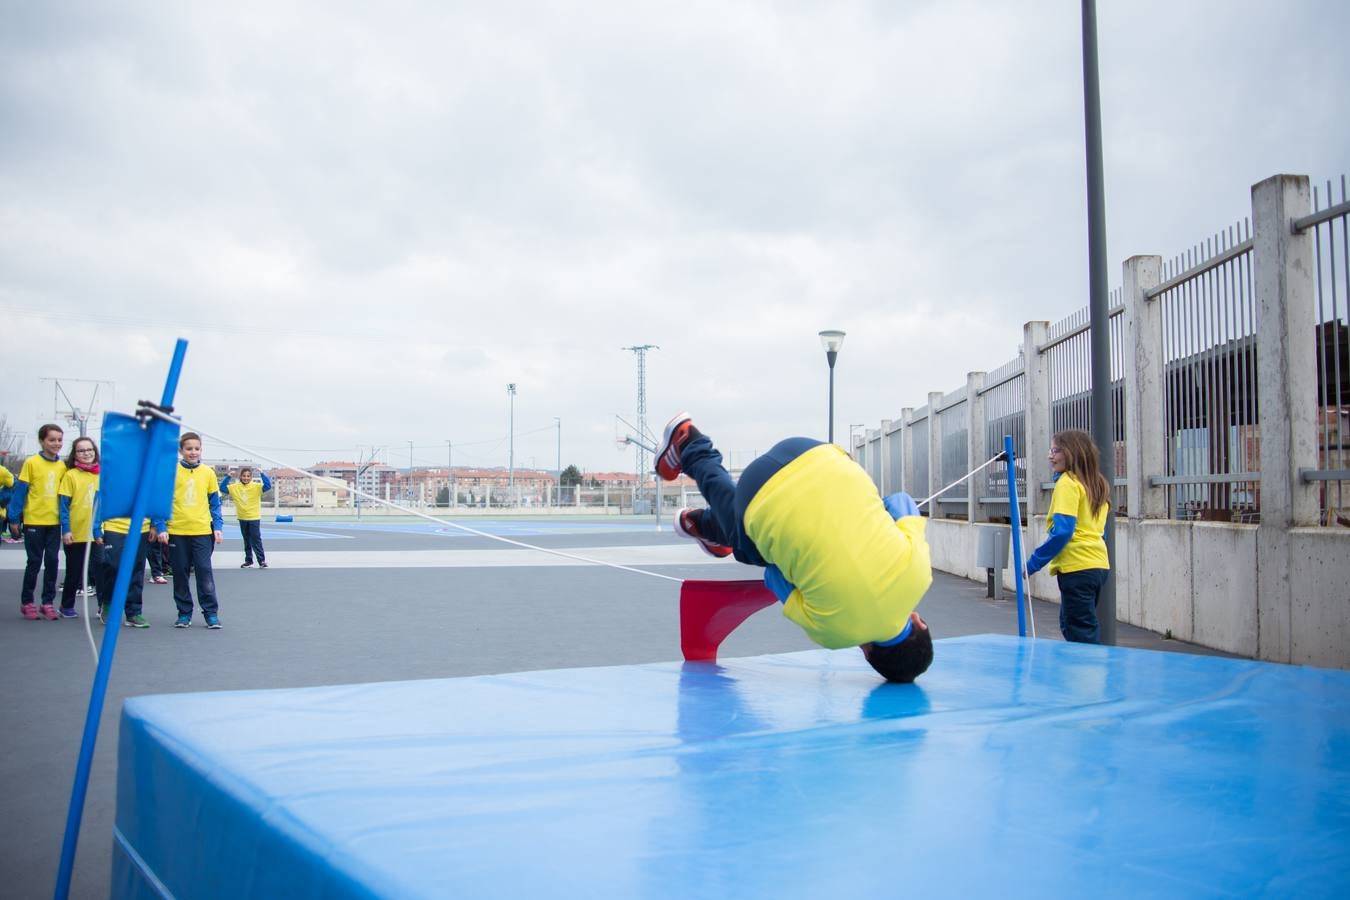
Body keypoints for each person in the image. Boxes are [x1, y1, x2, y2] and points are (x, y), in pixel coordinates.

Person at [655, 412, 934, 683]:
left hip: (813, 451)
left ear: (919, 622)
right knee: (748, 545)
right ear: (867, 653)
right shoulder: (833, 635)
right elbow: (774, 577)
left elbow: (900, 499)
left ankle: (709, 528)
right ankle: (691, 446)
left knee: (752, 533)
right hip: (758, 486)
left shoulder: (920, 576)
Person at [1024, 429, 1111, 644]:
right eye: (1050, 450)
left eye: (1056, 450)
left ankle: (1088, 675)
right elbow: (1101, 531)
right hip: (1098, 565)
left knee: (1081, 631)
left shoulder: (1067, 483)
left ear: (1072, 453)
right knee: (1072, 623)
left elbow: (1063, 531)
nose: (1050, 456)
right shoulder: (1096, 484)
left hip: (1077, 567)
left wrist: (1033, 563)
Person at [155, 432, 224, 629]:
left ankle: (211, 613)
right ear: (181, 451)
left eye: (196, 448)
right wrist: (161, 527)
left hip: (202, 531)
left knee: (204, 571)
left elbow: (215, 503)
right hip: (177, 531)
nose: (193, 452)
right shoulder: (171, 472)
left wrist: (217, 527)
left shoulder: (208, 473)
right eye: (188, 449)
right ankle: (184, 613)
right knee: (180, 573)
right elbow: (161, 502)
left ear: (201, 450)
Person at [10, 424, 66, 620]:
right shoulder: (31, 462)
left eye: (59, 439)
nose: (56, 443)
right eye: (52, 439)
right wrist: (14, 517)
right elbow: (20, 492)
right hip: (34, 521)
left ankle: (48, 602)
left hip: (54, 522)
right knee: (34, 562)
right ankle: (27, 602)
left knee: (52, 562)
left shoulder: (62, 466)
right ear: (42, 441)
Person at [57, 436, 101, 618]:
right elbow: (63, 506)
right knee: (74, 571)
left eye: (89, 449)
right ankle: (66, 606)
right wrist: (66, 529)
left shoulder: (102, 475)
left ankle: (103, 607)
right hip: (76, 532)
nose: (86, 453)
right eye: (81, 450)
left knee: (101, 570)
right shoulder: (70, 475)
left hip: (98, 532)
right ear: (75, 454)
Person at [93, 509, 155, 628]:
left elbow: (153, 499)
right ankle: (108, 604)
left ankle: (133, 612)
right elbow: (100, 496)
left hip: (141, 527)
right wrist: (96, 528)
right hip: (113, 526)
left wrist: (156, 524)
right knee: (113, 567)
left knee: (136, 570)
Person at [219, 466, 272, 568]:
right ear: (240, 476)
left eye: (248, 476)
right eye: (244, 476)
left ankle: (261, 561)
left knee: (256, 539)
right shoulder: (235, 487)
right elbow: (222, 488)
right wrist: (228, 477)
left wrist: (262, 474)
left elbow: (268, 486)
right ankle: (249, 561)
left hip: (254, 517)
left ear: (251, 477)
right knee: (246, 540)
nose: (246, 478)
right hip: (242, 518)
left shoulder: (256, 487)